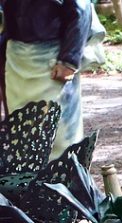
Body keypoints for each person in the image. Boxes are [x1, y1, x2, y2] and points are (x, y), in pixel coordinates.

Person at [1, 0, 92, 160]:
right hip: (16, 59)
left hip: (53, 59)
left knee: (60, 135)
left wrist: (69, 60)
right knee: (22, 133)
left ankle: (64, 174)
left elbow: (81, 10)